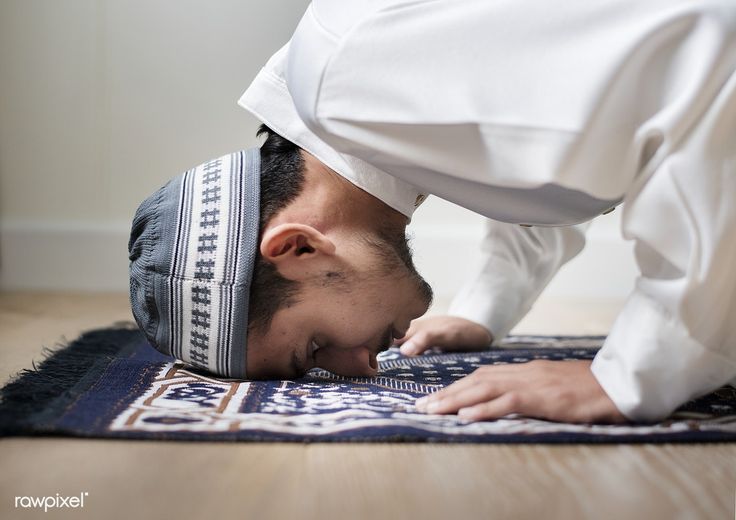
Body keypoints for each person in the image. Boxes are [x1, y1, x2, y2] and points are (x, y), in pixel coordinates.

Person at [129, 0, 736, 424]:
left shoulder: (353, 71)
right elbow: (565, 145)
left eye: (315, 349)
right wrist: (484, 309)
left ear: (297, 247)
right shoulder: (363, 104)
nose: (360, 367)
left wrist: (641, 369)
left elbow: (708, 61)